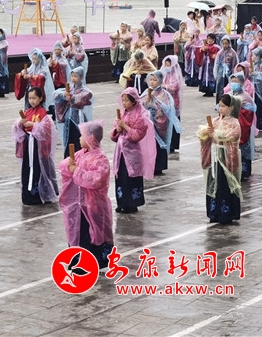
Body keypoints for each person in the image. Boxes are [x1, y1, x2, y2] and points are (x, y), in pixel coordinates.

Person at [58, 120, 113, 269]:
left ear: (90, 138)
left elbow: (96, 180)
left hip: (93, 205)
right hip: (78, 205)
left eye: (82, 136)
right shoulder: (81, 154)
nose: (79, 138)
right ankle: (78, 261)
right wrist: (70, 166)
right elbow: (63, 165)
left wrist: (76, 170)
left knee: (92, 233)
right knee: (79, 232)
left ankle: (93, 262)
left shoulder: (100, 158)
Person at [110, 87, 156, 214]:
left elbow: (136, 136)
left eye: (126, 100)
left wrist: (125, 126)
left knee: (130, 177)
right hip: (120, 152)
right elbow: (113, 135)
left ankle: (131, 204)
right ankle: (121, 202)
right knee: (121, 176)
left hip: (133, 152)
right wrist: (116, 130)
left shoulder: (141, 116)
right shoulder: (122, 114)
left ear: (134, 100)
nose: (124, 103)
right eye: (123, 100)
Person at [197, 94, 242, 224]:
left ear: (231, 107)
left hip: (226, 157)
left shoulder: (234, 123)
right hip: (215, 157)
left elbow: (232, 136)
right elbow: (202, 134)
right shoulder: (216, 120)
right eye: (219, 106)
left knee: (225, 185)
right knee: (213, 184)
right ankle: (214, 213)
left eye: (223, 106)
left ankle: (226, 214)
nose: (220, 108)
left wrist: (215, 134)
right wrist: (205, 132)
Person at [12, 87, 58, 205]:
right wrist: (20, 124)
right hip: (28, 145)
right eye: (30, 98)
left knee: (38, 169)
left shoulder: (43, 113)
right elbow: (18, 128)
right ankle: (27, 195)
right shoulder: (27, 112)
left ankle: (38, 194)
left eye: (34, 98)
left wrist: (33, 125)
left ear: (40, 98)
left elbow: (46, 130)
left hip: (38, 147)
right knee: (27, 169)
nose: (32, 101)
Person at [141, 71, 181, 175]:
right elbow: (141, 105)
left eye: (155, 80)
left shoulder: (164, 94)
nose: (152, 82)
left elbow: (166, 108)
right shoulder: (146, 92)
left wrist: (154, 107)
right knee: (149, 145)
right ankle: (149, 165)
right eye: (151, 79)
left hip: (158, 123)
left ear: (159, 81)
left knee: (158, 145)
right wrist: (146, 103)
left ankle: (158, 166)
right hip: (149, 123)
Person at [53, 67, 93, 158]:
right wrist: (64, 95)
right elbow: (55, 94)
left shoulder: (85, 91)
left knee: (79, 139)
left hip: (79, 118)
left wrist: (71, 98)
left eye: (76, 76)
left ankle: (80, 158)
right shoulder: (69, 89)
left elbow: (84, 97)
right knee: (68, 140)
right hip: (69, 118)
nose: (73, 78)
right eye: (72, 76)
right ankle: (69, 158)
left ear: (81, 77)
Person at [228, 73, 256, 180]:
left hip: (242, 126)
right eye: (232, 81)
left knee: (243, 149)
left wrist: (238, 111)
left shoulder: (246, 97)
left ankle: (244, 171)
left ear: (242, 82)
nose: (234, 84)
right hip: (230, 128)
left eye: (236, 81)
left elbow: (249, 112)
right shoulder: (229, 95)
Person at [15, 48, 55, 114]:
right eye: (33, 59)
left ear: (39, 59)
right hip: (31, 89)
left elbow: (41, 78)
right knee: (29, 104)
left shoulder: (43, 69)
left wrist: (29, 76)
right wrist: (23, 73)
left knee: (39, 105)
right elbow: (26, 71)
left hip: (40, 90)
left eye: (35, 59)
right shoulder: (32, 67)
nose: (33, 61)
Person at [161, 55, 184, 152]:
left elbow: (175, 87)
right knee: (166, 123)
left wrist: (165, 86)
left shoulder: (175, 75)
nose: (167, 67)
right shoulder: (164, 74)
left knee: (173, 122)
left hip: (174, 102)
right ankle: (167, 142)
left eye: (169, 65)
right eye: (166, 65)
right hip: (165, 102)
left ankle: (173, 144)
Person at [213, 36, 238, 103]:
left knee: (229, 87)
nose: (224, 45)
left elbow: (235, 64)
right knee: (220, 87)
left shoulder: (233, 52)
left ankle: (228, 102)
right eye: (223, 43)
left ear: (229, 43)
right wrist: (215, 74)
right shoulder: (220, 53)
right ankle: (219, 103)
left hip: (229, 72)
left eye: (226, 43)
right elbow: (216, 63)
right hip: (221, 73)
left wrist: (235, 74)